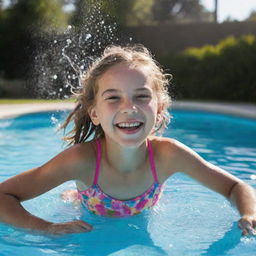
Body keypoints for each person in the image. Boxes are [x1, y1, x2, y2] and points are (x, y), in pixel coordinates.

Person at [0, 45, 255, 236]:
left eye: (142, 96)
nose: (129, 107)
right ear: (95, 113)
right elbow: (3, 196)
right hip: (89, 215)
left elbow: (235, 187)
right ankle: (72, 195)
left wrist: (249, 214)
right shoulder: (81, 161)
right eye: (113, 98)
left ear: (159, 110)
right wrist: (47, 228)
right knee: (71, 197)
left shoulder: (168, 156)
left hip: (140, 221)